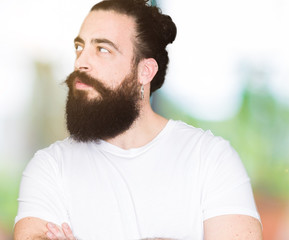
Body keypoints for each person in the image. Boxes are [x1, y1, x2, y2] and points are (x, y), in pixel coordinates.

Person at [14, 0, 263, 239]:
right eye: (80, 47)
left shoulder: (210, 158)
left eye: (102, 49)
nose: (81, 62)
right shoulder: (50, 167)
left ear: (145, 71)